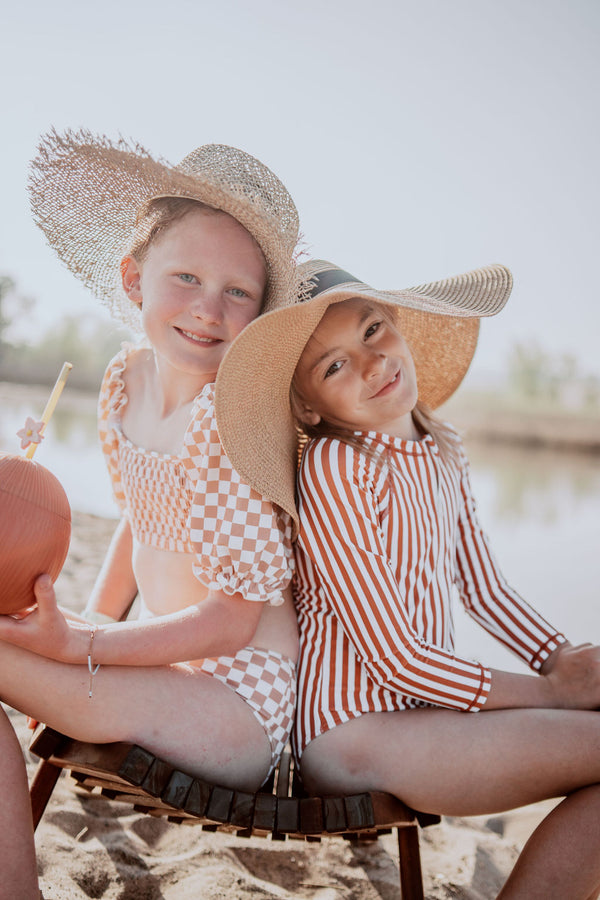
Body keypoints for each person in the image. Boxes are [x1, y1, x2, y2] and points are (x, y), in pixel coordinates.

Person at [215, 258, 600, 900]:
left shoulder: (441, 445)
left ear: (398, 326)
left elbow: (483, 588)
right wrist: (554, 695)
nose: (370, 363)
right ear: (306, 406)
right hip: (351, 733)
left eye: (372, 330)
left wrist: (563, 658)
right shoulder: (338, 466)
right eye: (332, 366)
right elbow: (396, 660)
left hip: (423, 716)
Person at [0, 128, 301, 900]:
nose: (209, 309)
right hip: (170, 666)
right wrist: (88, 627)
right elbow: (139, 518)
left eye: (238, 292)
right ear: (135, 279)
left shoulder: (234, 423)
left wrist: (82, 648)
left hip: (240, 701)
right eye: (187, 277)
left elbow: (233, 623)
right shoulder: (123, 383)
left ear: (262, 311)